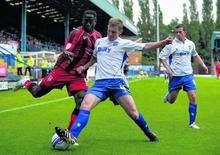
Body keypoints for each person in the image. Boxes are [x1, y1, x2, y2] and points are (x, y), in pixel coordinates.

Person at [55, 18, 172, 145]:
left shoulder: (125, 43)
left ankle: (148, 132)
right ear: (107, 28)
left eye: (114, 32)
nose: (111, 34)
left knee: (133, 113)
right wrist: (84, 67)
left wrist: (163, 42)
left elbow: (146, 46)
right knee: (85, 105)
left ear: (120, 31)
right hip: (99, 84)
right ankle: (72, 136)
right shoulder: (99, 42)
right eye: (109, 31)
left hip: (117, 83)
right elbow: (94, 58)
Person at [14, 10, 102, 131]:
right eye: (85, 19)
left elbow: (96, 56)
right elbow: (68, 47)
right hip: (62, 70)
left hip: (78, 74)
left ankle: (69, 134)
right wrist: (66, 52)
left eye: (90, 20)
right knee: (37, 93)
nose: (87, 22)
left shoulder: (98, 37)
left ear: (95, 21)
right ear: (82, 20)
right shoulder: (75, 33)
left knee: (81, 101)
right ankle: (26, 82)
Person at [159, 24, 208, 129]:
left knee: (193, 97)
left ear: (185, 32)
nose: (178, 34)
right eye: (176, 32)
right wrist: (168, 70)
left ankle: (192, 123)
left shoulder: (190, 44)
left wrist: (203, 65)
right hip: (175, 76)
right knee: (172, 100)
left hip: (188, 76)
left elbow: (195, 55)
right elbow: (162, 57)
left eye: (180, 32)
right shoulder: (171, 44)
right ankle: (168, 96)